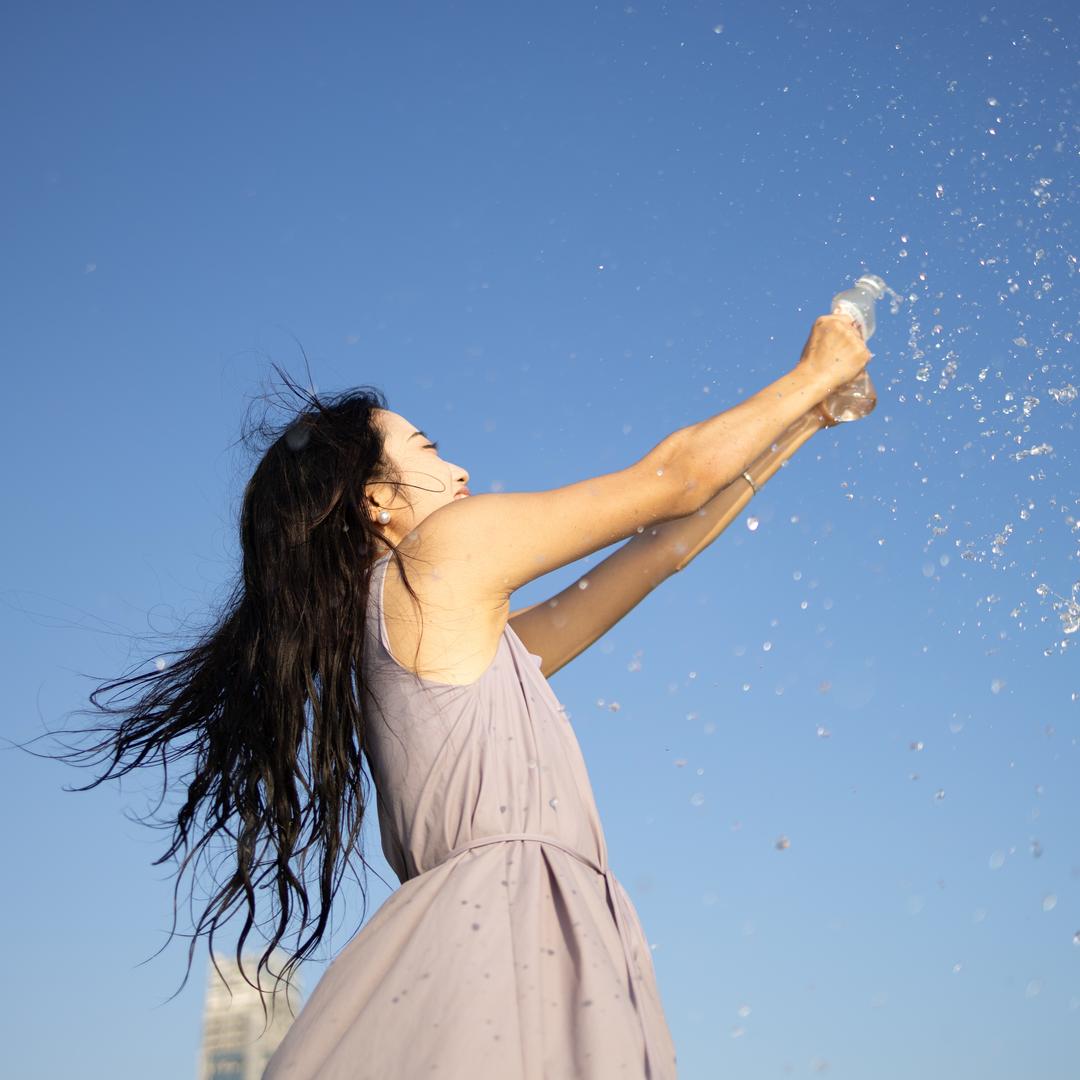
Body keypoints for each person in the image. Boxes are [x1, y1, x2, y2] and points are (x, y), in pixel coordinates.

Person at [45, 314, 869, 1080]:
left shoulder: (441, 634)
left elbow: (667, 547)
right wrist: (811, 371)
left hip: (503, 932)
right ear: (379, 502)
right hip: (502, 930)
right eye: (429, 452)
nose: (460, 469)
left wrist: (806, 421)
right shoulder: (436, 555)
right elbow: (674, 480)